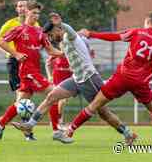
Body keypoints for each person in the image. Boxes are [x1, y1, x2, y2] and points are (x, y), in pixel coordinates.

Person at [11, 13, 137, 144]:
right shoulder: (63, 44)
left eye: (51, 34)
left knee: (103, 113)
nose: (50, 38)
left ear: (58, 29)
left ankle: (128, 134)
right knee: (51, 96)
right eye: (48, 36)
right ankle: (30, 125)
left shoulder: (69, 36)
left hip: (89, 79)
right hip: (77, 79)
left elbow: (70, 31)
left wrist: (60, 23)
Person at [66, 12, 152, 145]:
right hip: (141, 83)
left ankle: (71, 129)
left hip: (122, 77)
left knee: (95, 104)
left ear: (147, 21)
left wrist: (90, 34)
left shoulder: (137, 32)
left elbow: (114, 36)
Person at [0, 1, 64, 145]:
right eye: (33, 13)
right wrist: (16, 53)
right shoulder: (19, 29)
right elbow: (1, 42)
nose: (36, 16)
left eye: (38, 13)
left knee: (20, 103)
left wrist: (64, 53)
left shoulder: (39, 32)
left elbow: (50, 50)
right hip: (27, 72)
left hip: (34, 71)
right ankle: (56, 131)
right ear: (26, 12)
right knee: (55, 94)